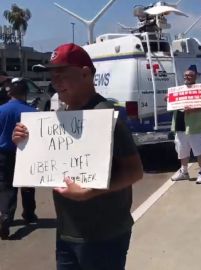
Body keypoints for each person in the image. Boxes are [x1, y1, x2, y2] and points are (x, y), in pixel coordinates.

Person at [13, 43, 143, 269]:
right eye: (52, 75)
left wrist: (91, 191)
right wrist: (25, 140)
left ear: (85, 74)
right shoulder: (60, 116)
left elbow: (134, 171)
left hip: (104, 235)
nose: (55, 81)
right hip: (67, 232)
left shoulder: (107, 116)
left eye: (61, 74)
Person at [0, 77, 38, 240]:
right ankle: (29, 215)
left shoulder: (1, 110)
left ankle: (5, 216)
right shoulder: (32, 113)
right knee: (28, 185)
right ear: (25, 93)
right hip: (26, 154)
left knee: (7, 188)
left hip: (4, 154)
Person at [170, 66, 201, 184]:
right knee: (182, 151)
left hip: (194, 126)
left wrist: (193, 109)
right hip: (179, 125)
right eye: (186, 75)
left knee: (199, 151)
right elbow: (173, 103)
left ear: (196, 76)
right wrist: (169, 98)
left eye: (190, 75)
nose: (187, 77)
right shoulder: (179, 90)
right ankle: (184, 172)